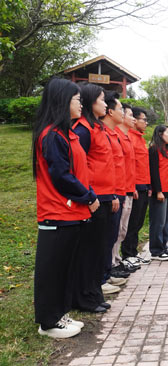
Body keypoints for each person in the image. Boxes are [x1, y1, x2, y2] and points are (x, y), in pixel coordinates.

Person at [32, 78, 99, 338]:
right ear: (62, 102)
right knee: (52, 270)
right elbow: (61, 176)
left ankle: (59, 314)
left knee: (65, 269)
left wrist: (86, 195)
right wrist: (88, 196)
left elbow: (77, 172)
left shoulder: (66, 134)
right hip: (57, 213)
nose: (80, 105)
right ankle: (48, 322)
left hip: (71, 212)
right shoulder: (51, 136)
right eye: (76, 100)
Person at [72, 83, 117, 313]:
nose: (105, 104)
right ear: (91, 102)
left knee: (100, 248)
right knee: (89, 250)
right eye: (101, 99)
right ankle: (85, 297)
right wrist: (89, 196)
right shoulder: (82, 130)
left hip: (106, 195)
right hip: (94, 198)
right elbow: (79, 166)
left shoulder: (97, 127)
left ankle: (94, 292)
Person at [99, 92, 130, 295]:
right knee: (104, 239)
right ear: (110, 112)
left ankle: (106, 274)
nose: (128, 114)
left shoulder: (112, 134)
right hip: (105, 194)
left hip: (118, 191)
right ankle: (100, 278)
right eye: (121, 109)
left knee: (113, 235)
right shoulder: (98, 132)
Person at [121, 107, 151, 264]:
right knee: (131, 222)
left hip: (144, 185)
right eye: (143, 119)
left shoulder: (140, 138)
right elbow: (129, 165)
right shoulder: (129, 137)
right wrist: (132, 186)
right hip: (135, 186)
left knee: (138, 222)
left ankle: (133, 252)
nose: (145, 122)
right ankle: (127, 254)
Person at [111, 103, 140, 272]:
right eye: (129, 114)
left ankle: (116, 260)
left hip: (127, 189)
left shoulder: (126, 138)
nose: (131, 118)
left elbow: (128, 167)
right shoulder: (116, 136)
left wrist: (132, 186)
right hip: (117, 191)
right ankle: (112, 264)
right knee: (115, 231)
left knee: (122, 230)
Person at [149, 125, 168, 261]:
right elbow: (154, 172)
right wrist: (158, 191)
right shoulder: (154, 150)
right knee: (158, 222)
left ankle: (163, 248)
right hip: (160, 192)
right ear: (160, 134)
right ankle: (156, 250)